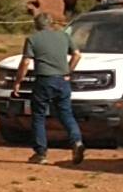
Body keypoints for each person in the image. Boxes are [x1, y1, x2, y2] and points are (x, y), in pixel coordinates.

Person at [10, 10, 85, 165]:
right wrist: (68, 71)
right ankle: (76, 141)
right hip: (62, 81)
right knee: (66, 113)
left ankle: (41, 153)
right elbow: (77, 54)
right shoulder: (64, 36)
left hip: (43, 81)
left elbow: (25, 62)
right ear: (51, 23)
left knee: (38, 116)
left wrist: (18, 82)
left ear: (36, 25)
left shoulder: (32, 39)